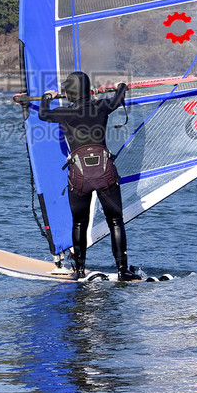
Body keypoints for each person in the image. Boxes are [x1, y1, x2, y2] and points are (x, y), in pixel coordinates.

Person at [37, 71, 139, 282]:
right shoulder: (101, 106)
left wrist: (47, 97)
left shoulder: (65, 113)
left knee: (79, 223)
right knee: (116, 221)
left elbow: (43, 114)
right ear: (87, 90)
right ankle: (123, 270)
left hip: (79, 176)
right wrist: (120, 86)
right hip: (105, 173)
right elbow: (119, 97)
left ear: (69, 92)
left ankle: (80, 270)